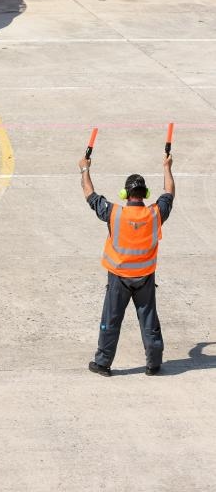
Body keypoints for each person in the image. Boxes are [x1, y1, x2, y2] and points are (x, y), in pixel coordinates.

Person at [78, 152, 175, 377]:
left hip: (119, 278)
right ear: (145, 194)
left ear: (125, 194)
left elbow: (89, 194)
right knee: (149, 320)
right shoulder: (155, 213)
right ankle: (154, 364)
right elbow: (169, 192)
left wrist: (84, 169)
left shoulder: (114, 213)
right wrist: (167, 167)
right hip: (145, 278)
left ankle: (103, 363)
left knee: (111, 319)